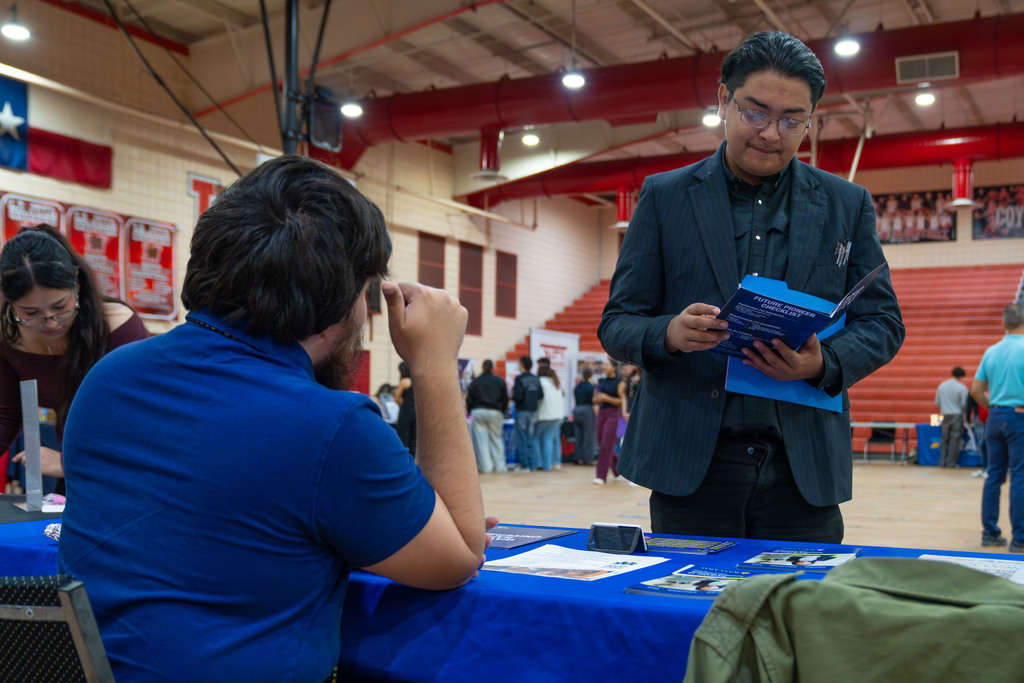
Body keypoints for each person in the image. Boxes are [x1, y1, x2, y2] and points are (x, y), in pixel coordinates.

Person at [58, 156, 494, 682]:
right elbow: (459, 556)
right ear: (342, 308)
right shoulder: (332, 426)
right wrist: (435, 364)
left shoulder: (108, 379)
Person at [597, 31, 904, 542]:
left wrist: (823, 363)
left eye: (792, 120)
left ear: (810, 119)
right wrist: (669, 333)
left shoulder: (847, 204)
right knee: (692, 617)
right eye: (755, 112)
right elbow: (617, 323)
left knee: (796, 618)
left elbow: (883, 323)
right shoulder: (665, 196)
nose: (770, 133)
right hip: (691, 462)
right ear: (723, 100)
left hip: (802, 465)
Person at [1, 225, 149, 488]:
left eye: (60, 306)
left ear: (77, 283)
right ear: (10, 304)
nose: (50, 322)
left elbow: (144, 420)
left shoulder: (116, 327)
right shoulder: (10, 335)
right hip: (74, 476)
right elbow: (6, 416)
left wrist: (66, 463)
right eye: (30, 313)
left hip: (129, 475)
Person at [970, 303, 1024, 552]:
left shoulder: (991, 351)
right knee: (1020, 478)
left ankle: (989, 533)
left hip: (995, 418)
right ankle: (1019, 538)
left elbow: (976, 390)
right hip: (1019, 417)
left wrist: (994, 408)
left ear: (1003, 323)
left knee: (994, 476)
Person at [466, 359, 508, 473]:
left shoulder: (476, 381)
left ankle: (486, 468)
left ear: (483, 367)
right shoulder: (499, 381)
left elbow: (469, 399)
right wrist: (502, 411)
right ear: (492, 368)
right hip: (495, 411)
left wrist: (470, 411)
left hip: (478, 411)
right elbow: (505, 399)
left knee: (481, 441)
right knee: (496, 439)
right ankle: (500, 467)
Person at [593, 358, 623, 485]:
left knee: (606, 444)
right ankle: (618, 471)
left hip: (613, 414)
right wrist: (597, 402)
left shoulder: (620, 382)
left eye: (606, 365)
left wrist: (606, 398)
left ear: (614, 367)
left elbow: (621, 401)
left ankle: (601, 475)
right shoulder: (600, 381)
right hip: (601, 414)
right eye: (603, 365)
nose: (604, 367)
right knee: (604, 444)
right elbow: (594, 400)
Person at [512, 355, 543, 471]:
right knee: (532, 438)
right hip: (533, 412)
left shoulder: (519, 379)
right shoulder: (536, 379)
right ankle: (533, 464)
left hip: (522, 412)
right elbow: (541, 395)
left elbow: (517, 396)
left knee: (521, 438)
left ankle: (524, 465)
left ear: (522, 365)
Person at [935, 366, 969, 468]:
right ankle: (951, 463)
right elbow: (964, 404)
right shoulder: (961, 387)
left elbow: (937, 402)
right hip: (956, 415)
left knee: (944, 438)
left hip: (945, 414)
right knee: (955, 439)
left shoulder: (942, 385)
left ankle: (942, 462)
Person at [536, 365, 566, 470]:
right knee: (550, 440)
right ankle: (552, 464)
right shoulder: (556, 383)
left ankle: (540, 464)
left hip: (544, 416)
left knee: (538, 440)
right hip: (558, 416)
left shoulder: (540, 382)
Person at [572, 368, 598, 465]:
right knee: (588, 436)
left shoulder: (577, 386)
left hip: (577, 409)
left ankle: (578, 458)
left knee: (578, 436)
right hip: (587, 410)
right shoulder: (591, 387)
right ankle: (588, 459)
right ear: (591, 376)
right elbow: (594, 401)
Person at [394, 361, 416, 454]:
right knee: (413, 438)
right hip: (416, 411)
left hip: (406, 410)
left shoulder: (404, 382)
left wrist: (400, 403)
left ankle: (404, 459)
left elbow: (396, 398)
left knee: (403, 436)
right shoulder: (416, 380)